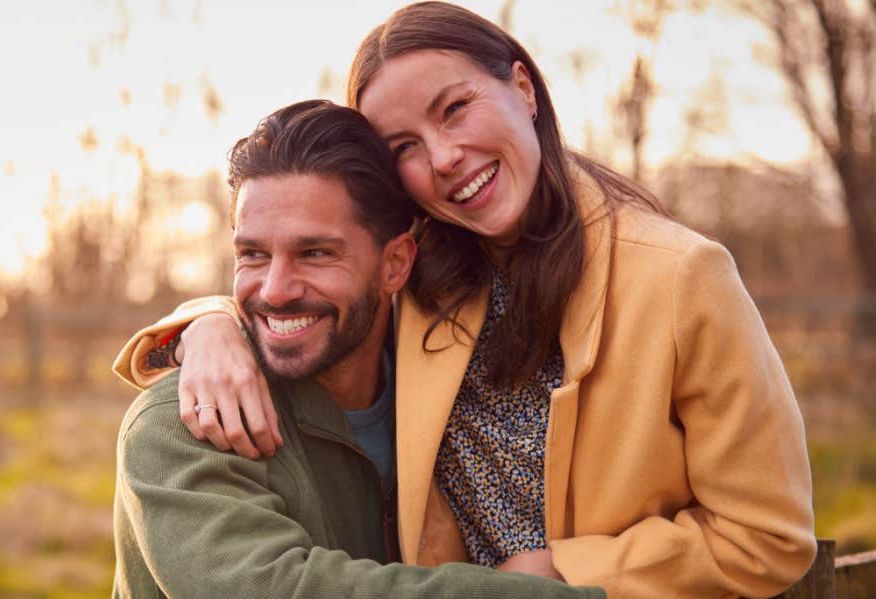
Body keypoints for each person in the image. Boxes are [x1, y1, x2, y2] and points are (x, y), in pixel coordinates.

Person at [112, 3, 817, 598]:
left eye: (456, 109)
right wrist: (207, 323)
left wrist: (564, 572)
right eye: (406, 145)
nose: (444, 156)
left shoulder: (680, 277)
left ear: (523, 87)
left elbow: (769, 534)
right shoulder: (432, 276)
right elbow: (302, 274)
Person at [112, 99, 604, 598]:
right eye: (253, 254)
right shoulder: (184, 419)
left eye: (316, 253)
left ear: (395, 264)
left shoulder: (452, 397)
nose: (275, 289)